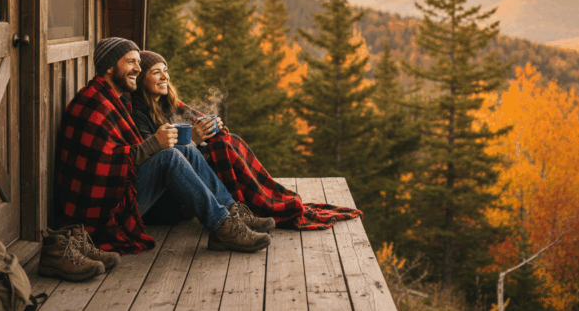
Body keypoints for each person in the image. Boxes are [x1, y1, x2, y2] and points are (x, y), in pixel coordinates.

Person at [54, 38, 271, 272]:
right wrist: (154, 145)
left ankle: (229, 214)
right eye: (130, 62)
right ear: (109, 67)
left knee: (185, 148)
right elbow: (103, 167)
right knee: (170, 156)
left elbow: (126, 158)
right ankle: (222, 227)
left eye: (139, 63)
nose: (137, 68)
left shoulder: (114, 99)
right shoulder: (94, 104)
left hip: (118, 194)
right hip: (99, 214)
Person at [130, 51, 364, 230]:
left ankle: (240, 208)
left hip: (181, 192)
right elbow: (156, 160)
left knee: (227, 143)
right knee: (202, 150)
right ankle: (233, 215)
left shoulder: (167, 103)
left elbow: (196, 122)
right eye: (156, 72)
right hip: (163, 204)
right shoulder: (137, 112)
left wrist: (213, 128)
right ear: (142, 80)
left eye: (166, 70)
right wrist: (192, 139)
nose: (165, 77)